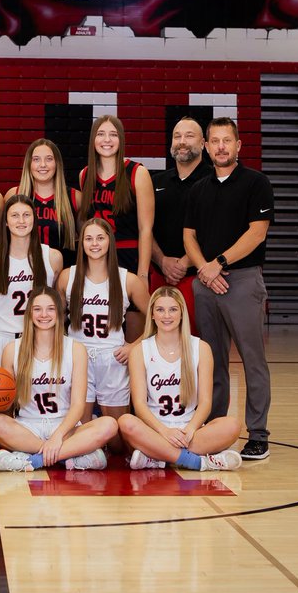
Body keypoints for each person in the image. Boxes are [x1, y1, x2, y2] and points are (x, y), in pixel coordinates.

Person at [183, 117, 274, 461]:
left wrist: (217, 263)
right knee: (212, 361)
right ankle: (216, 429)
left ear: (239, 145)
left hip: (242, 280)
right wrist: (205, 271)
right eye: (215, 141)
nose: (221, 146)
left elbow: (257, 233)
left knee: (253, 360)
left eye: (227, 141)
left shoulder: (256, 183)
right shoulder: (198, 189)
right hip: (207, 283)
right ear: (206, 147)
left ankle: (258, 434)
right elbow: (188, 236)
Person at [0, 287, 116, 472]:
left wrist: (57, 436)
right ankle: (69, 456)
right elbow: (7, 403)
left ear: (59, 312)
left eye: (50, 309)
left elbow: (78, 406)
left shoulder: (75, 349)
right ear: (29, 313)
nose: (44, 315)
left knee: (109, 425)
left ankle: (33, 461)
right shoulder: (12, 349)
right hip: (28, 426)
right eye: (37, 309)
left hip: (65, 426)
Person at [117, 286, 243, 471]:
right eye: (160, 309)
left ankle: (158, 457)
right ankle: (197, 461)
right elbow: (140, 405)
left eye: (173, 309)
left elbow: (206, 402)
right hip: (155, 430)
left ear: (182, 313)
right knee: (126, 422)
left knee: (232, 425)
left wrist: (190, 430)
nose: (166, 315)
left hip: (190, 431)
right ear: (152, 314)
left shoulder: (201, 348)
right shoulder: (140, 351)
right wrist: (165, 432)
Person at [58, 217, 149, 448]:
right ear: (81, 243)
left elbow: (156, 319)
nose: (94, 243)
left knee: (119, 443)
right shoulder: (68, 277)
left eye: (100, 238)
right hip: (79, 356)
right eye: (88, 238)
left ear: (110, 241)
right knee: (82, 431)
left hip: (113, 357)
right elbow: (55, 320)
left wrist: (133, 346)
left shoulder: (127, 279)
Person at [77, 115, 153, 340]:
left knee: (132, 331)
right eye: (101, 134)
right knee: (100, 328)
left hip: (128, 258)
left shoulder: (137, 173)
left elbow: (145, 229)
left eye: (113, 134)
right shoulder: (85, 175)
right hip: (97, 260)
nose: (107, 140)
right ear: (93, 140)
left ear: (121, 139)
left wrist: (142, 274)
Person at [0, 194, 63, 368]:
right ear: (6, 222)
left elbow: (59, 306)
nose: (21, 221)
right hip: (3, 338)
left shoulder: (52, 257)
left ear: (34, 219)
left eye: (26, 215)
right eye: (15, 215)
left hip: (40, 338)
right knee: (2, 395)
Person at [150, 117, 213, 331]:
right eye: (177, 136)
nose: (182, 141)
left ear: (204, 144)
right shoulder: (155, 182)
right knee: (158, 341)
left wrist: (184, 263)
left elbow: (216, 230)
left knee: (195, 343)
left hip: (199, 278)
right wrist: (162, 259)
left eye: (189, 136)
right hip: (159, 274)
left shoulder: (214, 180)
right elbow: (143, 228)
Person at [5, 138, 79, 265]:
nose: (43, 165)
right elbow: (0, 239)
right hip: (22, 274)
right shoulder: (14, 195)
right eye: (36, 159)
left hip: (62, 274)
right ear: (29, 164)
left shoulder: (74, 197)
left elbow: (85, 243)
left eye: (49, 159)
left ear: (57, 163)